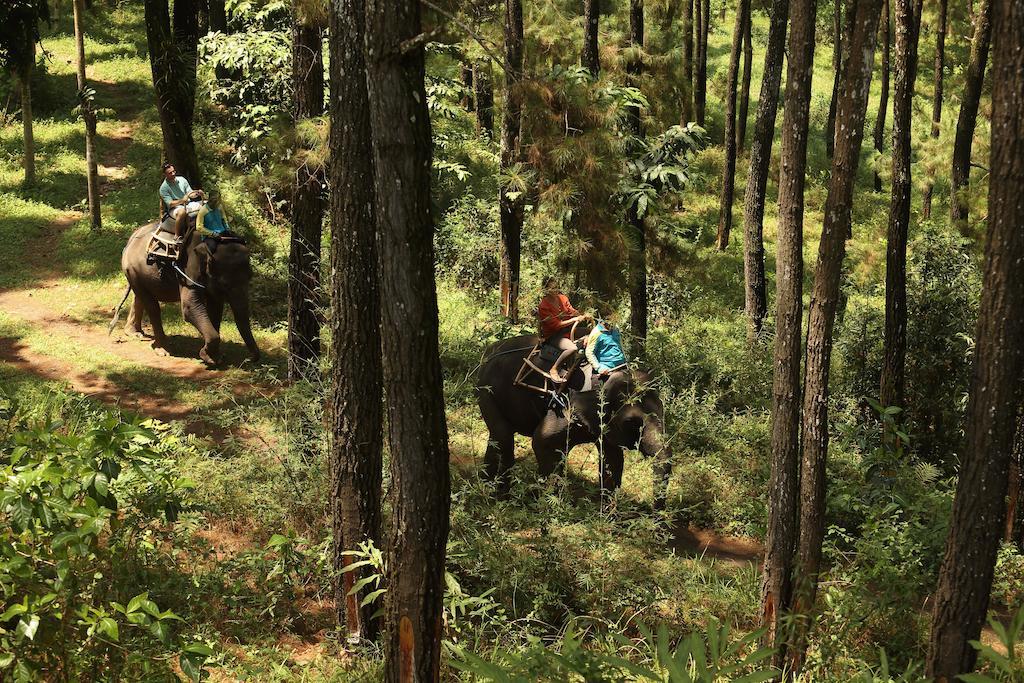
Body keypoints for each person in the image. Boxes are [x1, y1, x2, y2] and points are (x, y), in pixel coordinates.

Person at [537, 276, 589, 383]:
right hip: (554, 335)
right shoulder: (543, 305)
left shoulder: (563, 298)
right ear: (546, 290)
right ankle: (554, 369)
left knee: (590, 332)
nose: (555, 290)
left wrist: (582, 314)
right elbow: (556, 325)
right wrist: (574, 319)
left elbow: (571, 311)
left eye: (556, 287)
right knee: (572, 348)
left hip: (567, 331)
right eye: (552, 288)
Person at [585, 313, 627, 377]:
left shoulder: (616, 329)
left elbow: (621, 345)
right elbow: (589, 352)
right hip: (607, 369)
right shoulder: (596, 333)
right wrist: (599, 368)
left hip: (621, 366)